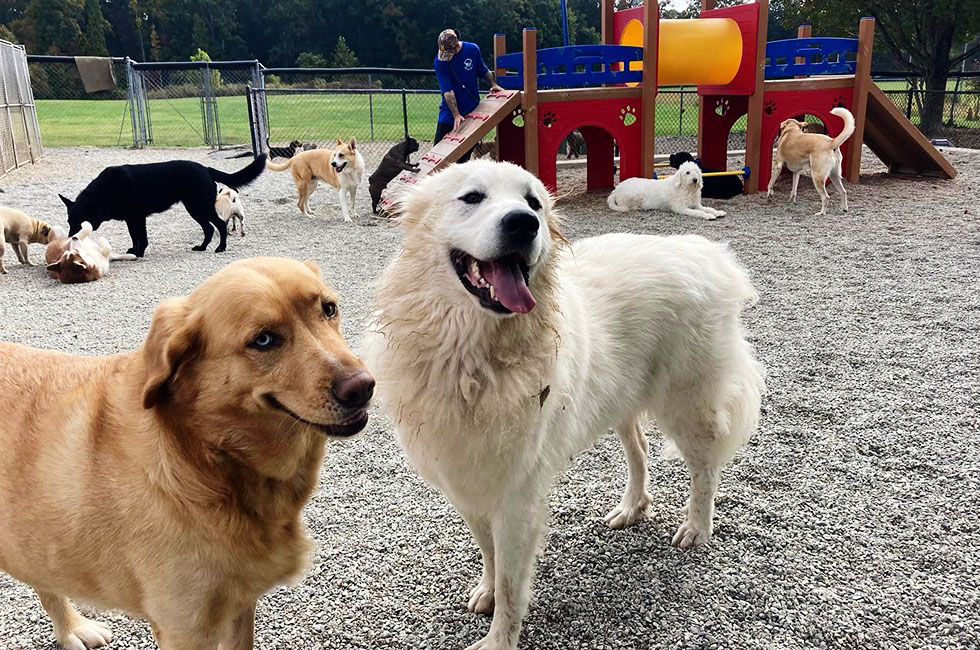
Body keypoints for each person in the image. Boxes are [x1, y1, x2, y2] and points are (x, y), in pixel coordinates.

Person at [433, 29, 503, 162]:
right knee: (438, 155)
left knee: (463, 158)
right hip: (449, 116)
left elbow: (483, 70)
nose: (445, 55)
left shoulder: (472, 49)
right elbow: (448, 92)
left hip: (472, 113)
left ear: (456, 45)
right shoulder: (439, 62)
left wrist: (493, 84)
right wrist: (456, 115)